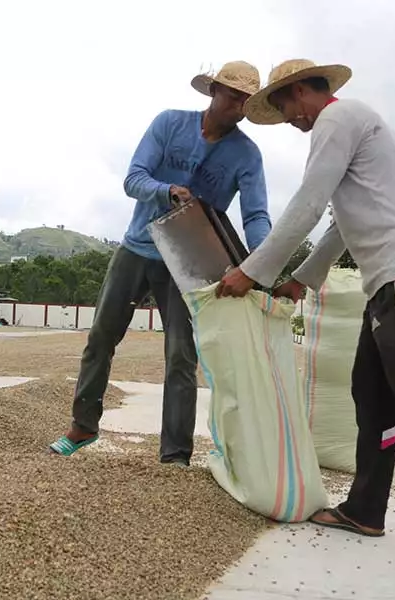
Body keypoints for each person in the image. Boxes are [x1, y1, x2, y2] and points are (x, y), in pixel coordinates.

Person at [217, 59, 395, 585]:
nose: (291, 120)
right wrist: (302, 279)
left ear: (301, 91)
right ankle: (366, 509)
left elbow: (308, 205)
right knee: (372, 393)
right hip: (389, 277)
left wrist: (252, 272)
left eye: (287, 107)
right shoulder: (351, 127)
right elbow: (340, 221)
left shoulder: (338, 121)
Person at [48, 61, 273, 466]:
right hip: (139, 246)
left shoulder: (247, 154)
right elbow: (133, 178)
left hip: (189, 261)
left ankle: (175, 455)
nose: (238, 105)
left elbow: (256, 215)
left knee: (181, 355)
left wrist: (262, 265)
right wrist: (167, 191)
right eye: (233, 95)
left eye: (246, 101)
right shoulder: (170, 124)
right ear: (213, 91)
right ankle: (83, 427)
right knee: (101, 337)